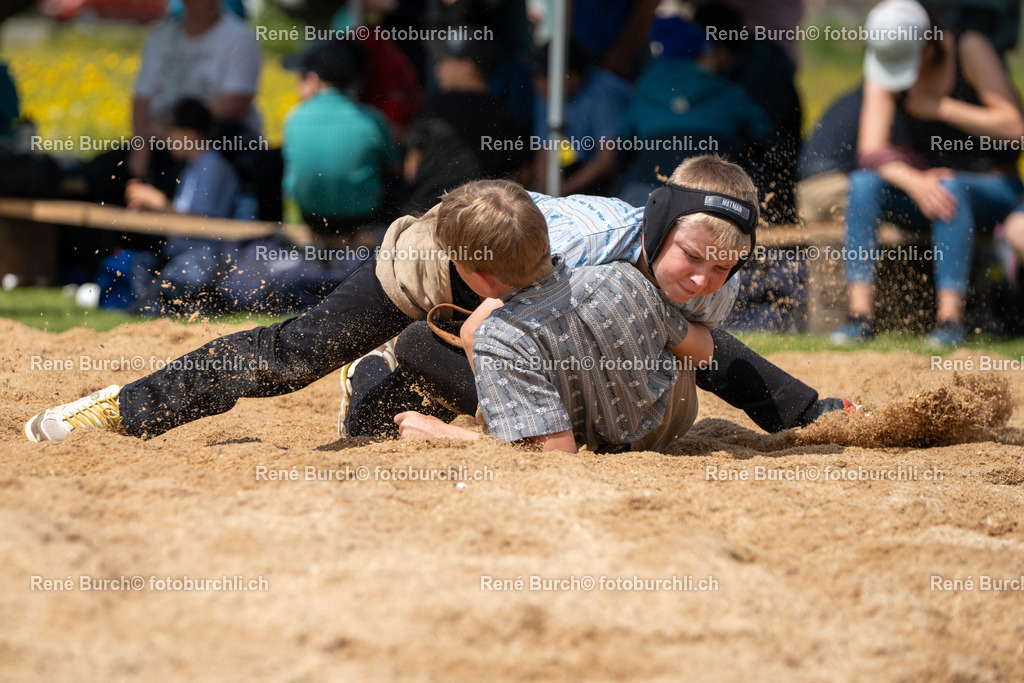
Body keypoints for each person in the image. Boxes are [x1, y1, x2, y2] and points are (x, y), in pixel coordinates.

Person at [23, 155, 854, 444]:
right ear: (660, 227)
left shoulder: (710, 265)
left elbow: (706, 351)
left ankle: (390, 384)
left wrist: (805, 409)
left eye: (725, 266)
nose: (707, 277)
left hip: (512, 294)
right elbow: (491, 272)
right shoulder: (583, 242)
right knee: (294, 355)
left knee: (571, 370)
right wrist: (483, 314)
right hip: (446, 261)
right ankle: (120, 407)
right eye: (694, 258)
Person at [391, 174, 743, 452]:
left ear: (479, 276)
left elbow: (558, 456)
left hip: (599, 440)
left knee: (416, 344)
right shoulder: (622, 275)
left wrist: (448, 435)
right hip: (671, 423)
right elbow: (704, 352)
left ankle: (371, 373)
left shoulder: (496, 337)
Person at [830, 0, 1024, 348]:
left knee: (947, 186)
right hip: (930, 186)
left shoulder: (969, 47)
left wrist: (943, 108)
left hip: (995, 186)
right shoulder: (884, 58)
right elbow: (870, 151)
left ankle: (950, 320)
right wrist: (915, 182)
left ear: (930, 43)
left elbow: (1014, 128)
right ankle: (860, 316)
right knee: (862, 183)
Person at [401, 28, 530, 214]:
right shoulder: (505, 116)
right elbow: (521, 175)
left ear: (467, 67)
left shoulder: (435, 108)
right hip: (477, 219)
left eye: (444, 61)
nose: (437, 68)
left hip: (425, 215)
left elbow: (410, 168)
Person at [282, 40, 400, 236]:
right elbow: (394, 168)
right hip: (363, 219)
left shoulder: (294, 117)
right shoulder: (372, 119)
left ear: (313, 79)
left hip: (313, 220)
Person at [530, 40, 632, 197]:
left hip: (617, 174)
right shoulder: (546, 92)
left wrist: (558, 195)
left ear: (570, 76)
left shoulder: (606, 93)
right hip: (575, 165)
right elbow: (545, 147)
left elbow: (606, 161)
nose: (537, 84)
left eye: (543, 76)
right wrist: (542, 195)